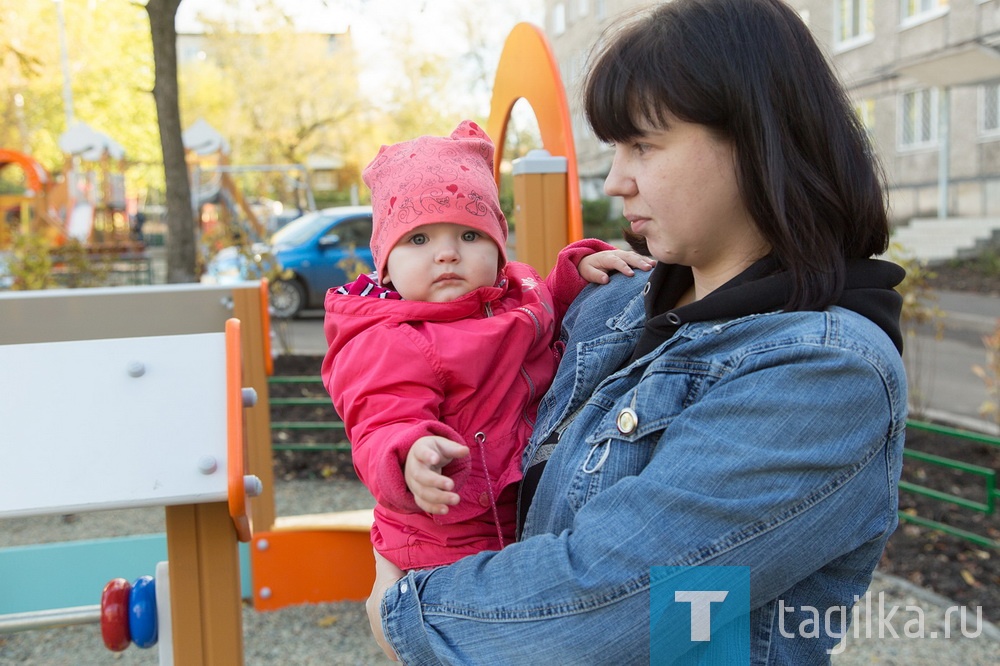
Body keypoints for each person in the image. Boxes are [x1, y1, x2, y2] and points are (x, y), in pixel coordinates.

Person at [364, 0, 908, 663]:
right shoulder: (611, 302)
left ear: (755, 138)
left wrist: (404, 616)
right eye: (616, 149)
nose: (617, 180)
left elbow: (608, 602)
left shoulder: (824, 374)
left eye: (643, 146)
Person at [322, 120, 651, 571]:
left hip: (515, 511)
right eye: (419, 239)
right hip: (444, 533)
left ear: (498, 247)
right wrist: (410, 455)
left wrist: (578, 272)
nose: (447, 253)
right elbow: (381, 418)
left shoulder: (514, 292)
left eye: (469, 234)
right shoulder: (391, 339)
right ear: (385, 267)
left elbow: (543, 309)